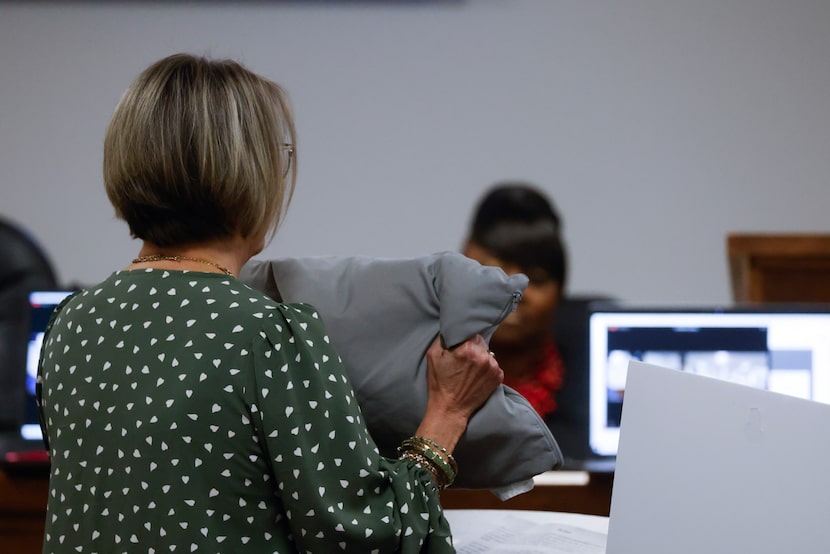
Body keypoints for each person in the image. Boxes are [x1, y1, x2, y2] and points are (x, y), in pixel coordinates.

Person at [36, 53, 503, 553]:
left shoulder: (70, 323)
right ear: (249, 172)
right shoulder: (265, 334)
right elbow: (366, 535)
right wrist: (446, 417)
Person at [461, 183, 567, 420]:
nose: (516, 293)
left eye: (536, 280)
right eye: (495, 272)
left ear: (561, 290)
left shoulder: (592, 369)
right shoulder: (419, 368)